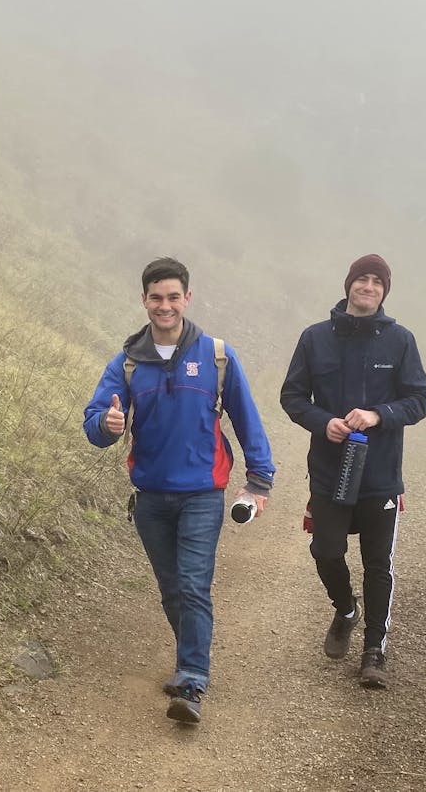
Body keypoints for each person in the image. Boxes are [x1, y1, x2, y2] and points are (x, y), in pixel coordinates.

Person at [83, 256, 275, 724]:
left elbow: (247, 418)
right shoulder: (128, 362)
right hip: (150, 498)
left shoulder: (216, 356)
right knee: (171, 589)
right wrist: (106, 425)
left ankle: (191, 679)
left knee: (192, 584)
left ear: (187, 298)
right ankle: (189, 657)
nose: (164, 305)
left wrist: (259, 479)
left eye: (173, 296)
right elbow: (95, 423)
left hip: (202, 495)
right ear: (144, 300)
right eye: (156, 297)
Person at [280, 253, 426, 689]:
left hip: (380, 475)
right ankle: (346, 609)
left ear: (384, 291)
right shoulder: (315, 338)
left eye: (377, 282)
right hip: (330, 473)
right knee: (326, 551)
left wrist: (379, 414)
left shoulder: (400, 341)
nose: (368, 286)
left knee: (378, 565)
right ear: (348, 285)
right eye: (361, 279)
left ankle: (374, 652)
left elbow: (418, 400)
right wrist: (321, 421)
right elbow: (292, 397)